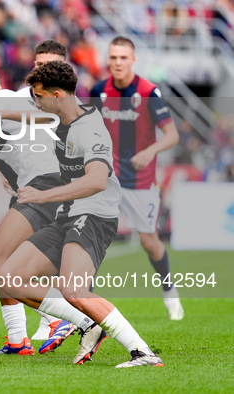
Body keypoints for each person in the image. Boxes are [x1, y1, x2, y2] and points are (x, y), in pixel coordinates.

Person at [0, 65, 107, 363]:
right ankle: (18, 339)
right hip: (44, 189)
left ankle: (76, 321)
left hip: (45, 187)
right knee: (3, 266)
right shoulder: (7, 121)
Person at [0, 61, 164, 368]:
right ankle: (88, 324)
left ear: (57, 95)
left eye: (39, 96)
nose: (36, 102)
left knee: (73, 288)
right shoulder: (59, 113)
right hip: (67, 215)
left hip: (94, 214)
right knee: (9, 278)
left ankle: (143, 353)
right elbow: (29, 117)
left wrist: (43, 195)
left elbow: (97, 180)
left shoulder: (88, 129)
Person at [90, 36, 183, 320]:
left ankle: (169, 289)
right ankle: (84, 300)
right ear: (108, 60)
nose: (117, 62)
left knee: (149, 241)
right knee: (90, 235)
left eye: (123, 58)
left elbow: (172, 135)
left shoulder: (148, 92)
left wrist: (150, 151)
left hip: (140, 181)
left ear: (133, 60)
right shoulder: (98, 90)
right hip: (105, 178)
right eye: (113, 57)